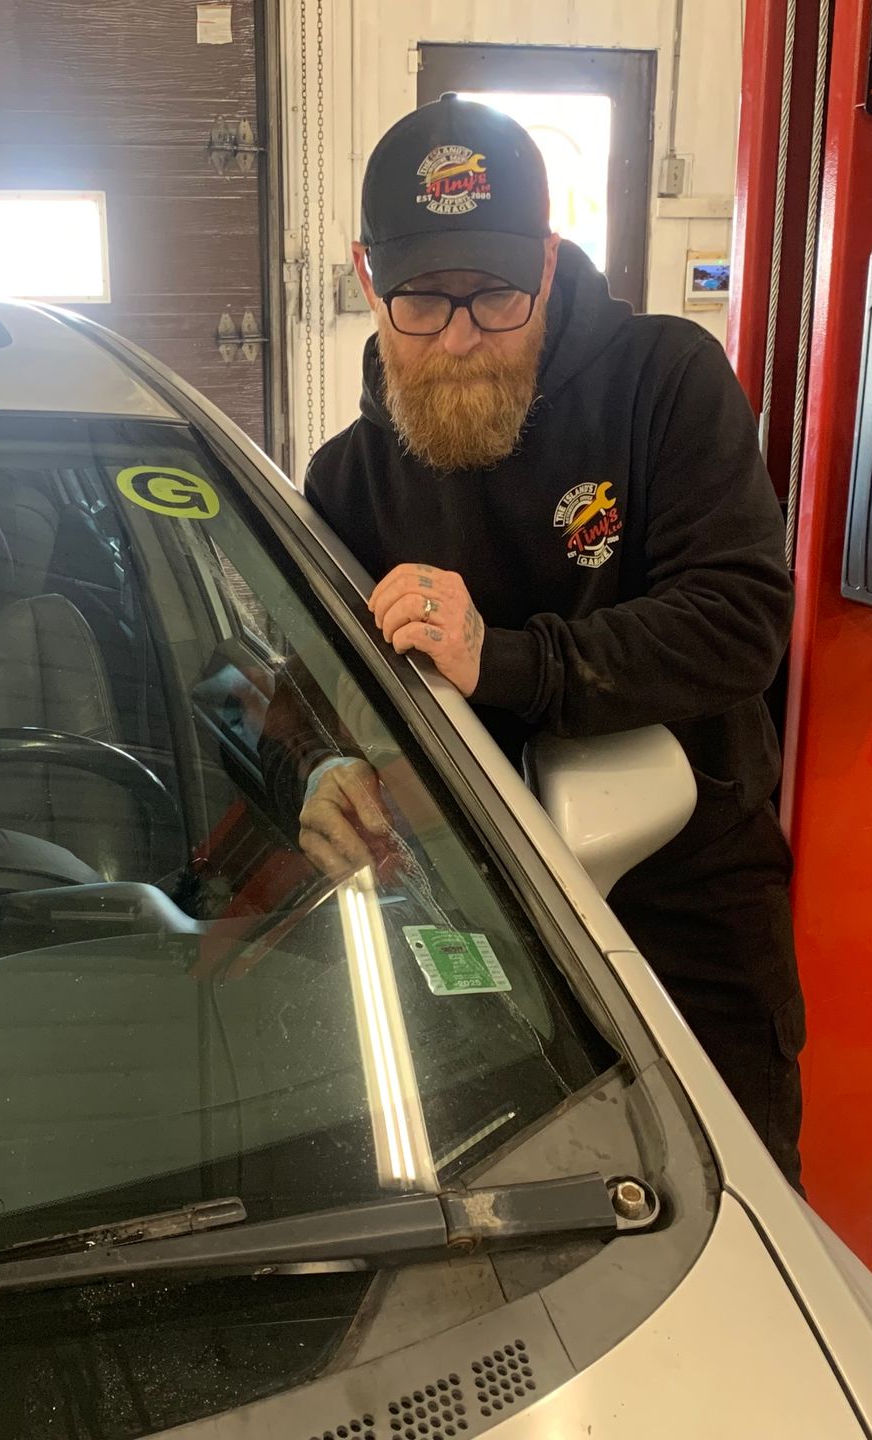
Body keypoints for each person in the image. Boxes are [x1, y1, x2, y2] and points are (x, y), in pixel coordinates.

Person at [292, 95, 803, 1185]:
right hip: (467, 909)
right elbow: (313, 683)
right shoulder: (344, 481)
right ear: (367, 275)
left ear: (551, 259)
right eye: (424, 301)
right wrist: (323, 763)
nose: (463, 339)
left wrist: (512, 659)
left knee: (745, 1212)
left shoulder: (665, 385)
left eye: (496, 297)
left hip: (687, 906)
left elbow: (742, 620)